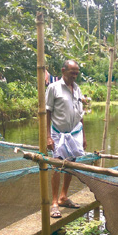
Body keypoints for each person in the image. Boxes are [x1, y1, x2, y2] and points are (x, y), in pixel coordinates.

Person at [45, 60, 87, 218]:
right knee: (57, 164)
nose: (75, 76)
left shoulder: (77, 89)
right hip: (57, 132)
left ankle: (64, 196)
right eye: (72, 72)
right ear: (63, 71)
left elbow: (80, 114)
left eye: (76, 73)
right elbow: (47, 112)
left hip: (75, 132)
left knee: (71, 163)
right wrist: (48, 136)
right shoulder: (53, 88)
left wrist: (84, 136)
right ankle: (54, 202)